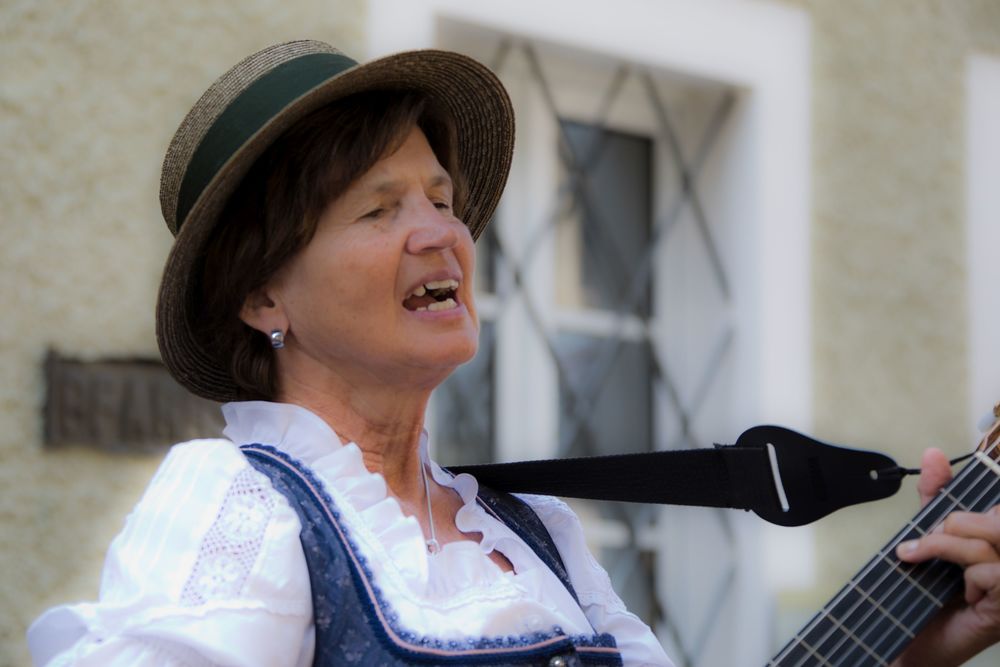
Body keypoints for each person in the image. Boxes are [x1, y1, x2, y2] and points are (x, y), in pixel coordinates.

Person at [26, 40, 1000, 666]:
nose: (440, 233)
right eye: (378, 209)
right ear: (262, 294)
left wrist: (912, 644)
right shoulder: (238, 505)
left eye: (441, 199)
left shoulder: (536, 536)